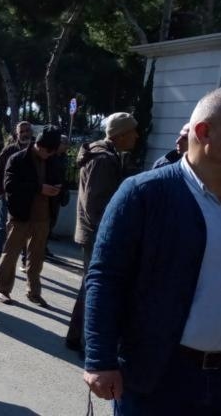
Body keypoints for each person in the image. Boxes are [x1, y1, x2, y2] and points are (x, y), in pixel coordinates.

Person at [83, 89, 221, 414]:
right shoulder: (144, 193)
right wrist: (100, 359)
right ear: (204, 133)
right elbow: (105, 278)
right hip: (156, 376)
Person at [66, 112, 138, 350]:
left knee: (89, 285)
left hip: (93, 232)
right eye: (132, 131)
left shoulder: (107, 155)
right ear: (120, 135)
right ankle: (88, 345)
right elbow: (95, 204)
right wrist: (108, 234)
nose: (137, 136)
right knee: (96, 289)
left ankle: (76, 337)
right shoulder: (104, 160)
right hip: (96, 233)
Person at [0, 125, 63, 307]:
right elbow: (10, 185)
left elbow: (60, 180)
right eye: (48, 151)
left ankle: (33, 292)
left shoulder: (53, 160)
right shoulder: (18, 159)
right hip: (20, 215)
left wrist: (58, 192)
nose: (49, 155)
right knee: (10, 255)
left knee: (36, 257)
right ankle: (3, 290)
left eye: (52, 152)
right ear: (39, 145)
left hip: (43, 217)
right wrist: (39, 188)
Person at [0, 121, 34, 272]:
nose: (25, 133)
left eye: (28, 130)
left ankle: (26, 262)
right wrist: (2, 191)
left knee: (28, 230)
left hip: (28, 198)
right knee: (2, 229)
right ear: (17, 134)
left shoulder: (35, 150)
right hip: (9, 197)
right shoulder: (9, 150)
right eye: (22, 131)